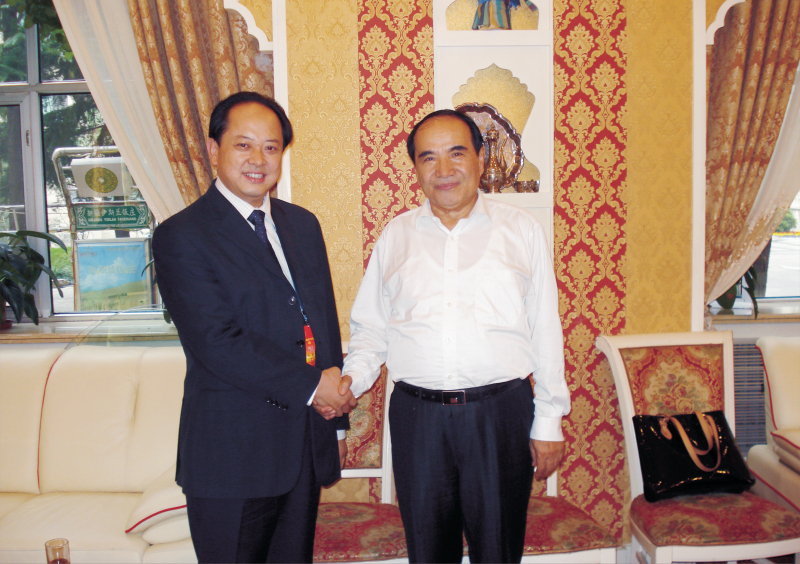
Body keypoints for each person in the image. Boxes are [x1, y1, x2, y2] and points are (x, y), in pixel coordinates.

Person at [336, 109, 571, 563]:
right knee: (428, 553)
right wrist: (350, 383)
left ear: (480, 158)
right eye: (429, 158)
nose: (443, 170)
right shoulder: (396, 236)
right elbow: (370, 331)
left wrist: (549, 420)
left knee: (497, 551)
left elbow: (545, 329)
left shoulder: (521, 230)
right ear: (416, 168)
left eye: (457, 153)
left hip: (500, 415)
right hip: (417, 419)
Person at [152, 91, 357, 563]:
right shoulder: (182, 235)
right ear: (214, 149)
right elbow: (217, 342)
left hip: (302, 445)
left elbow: (322, 325)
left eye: (270, 147)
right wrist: (315, 388)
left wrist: (335, 426)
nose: (258, 160)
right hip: (231, 457)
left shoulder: (302, 225)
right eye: (243, 145)